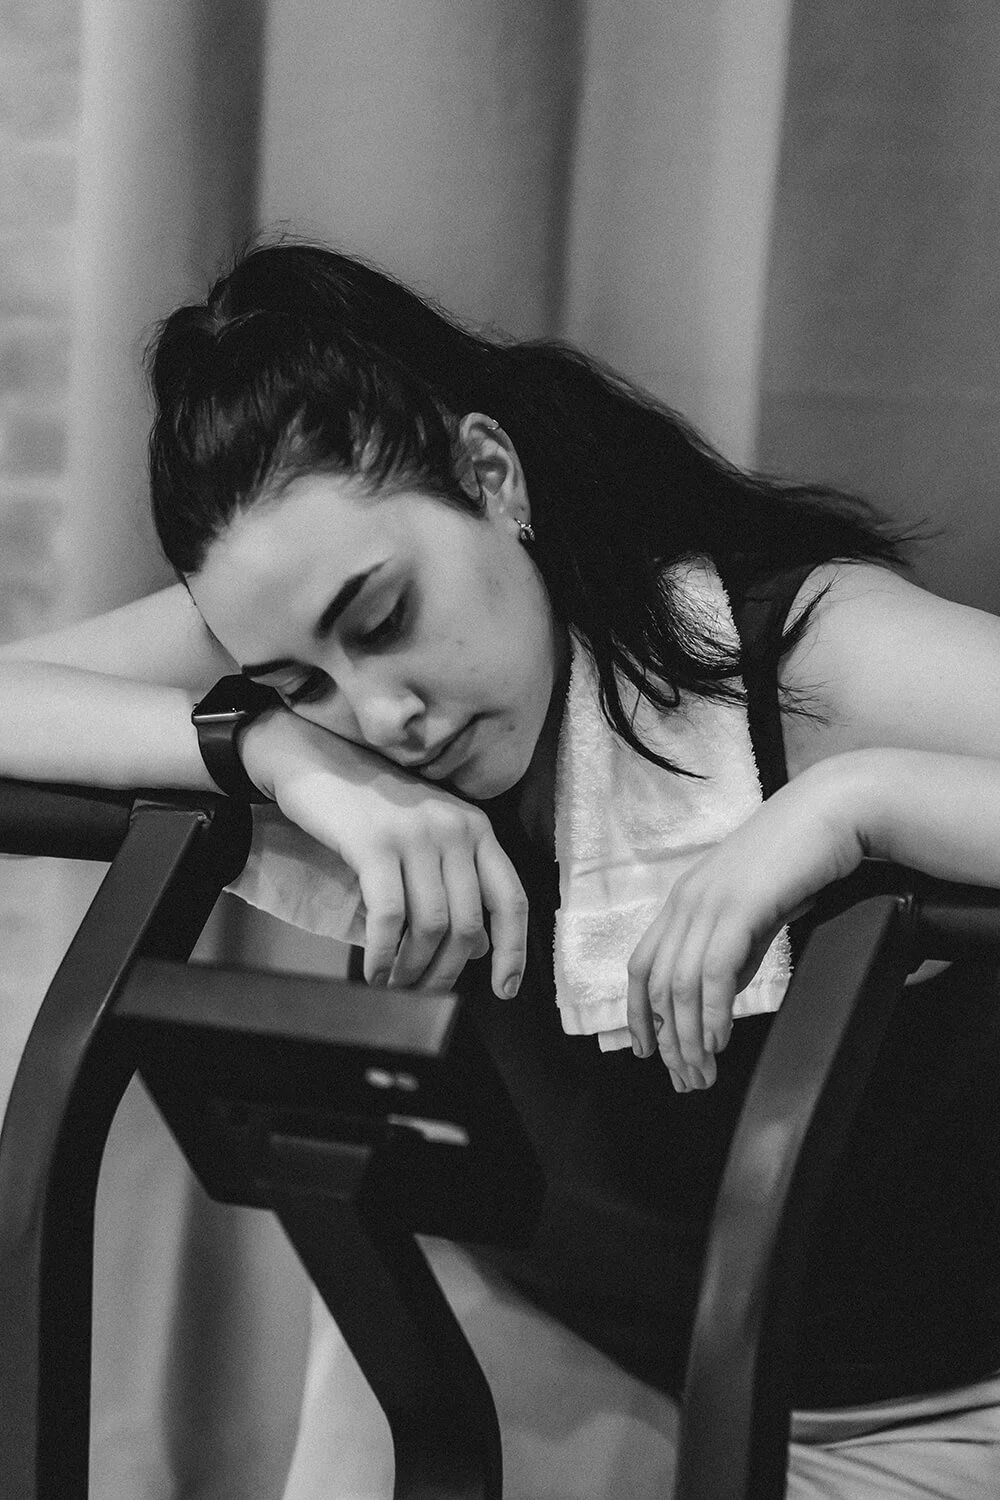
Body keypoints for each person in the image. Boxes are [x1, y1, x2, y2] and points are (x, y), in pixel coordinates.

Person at [4, 238, 1000, 1497]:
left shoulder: (808, 658)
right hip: (561, 1342)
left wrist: (859, 803)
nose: (384, 716)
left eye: (384, 620)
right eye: (307, 676)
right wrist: (267, 749)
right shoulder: (306, 676)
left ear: (488, 474)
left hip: (919, 1408)